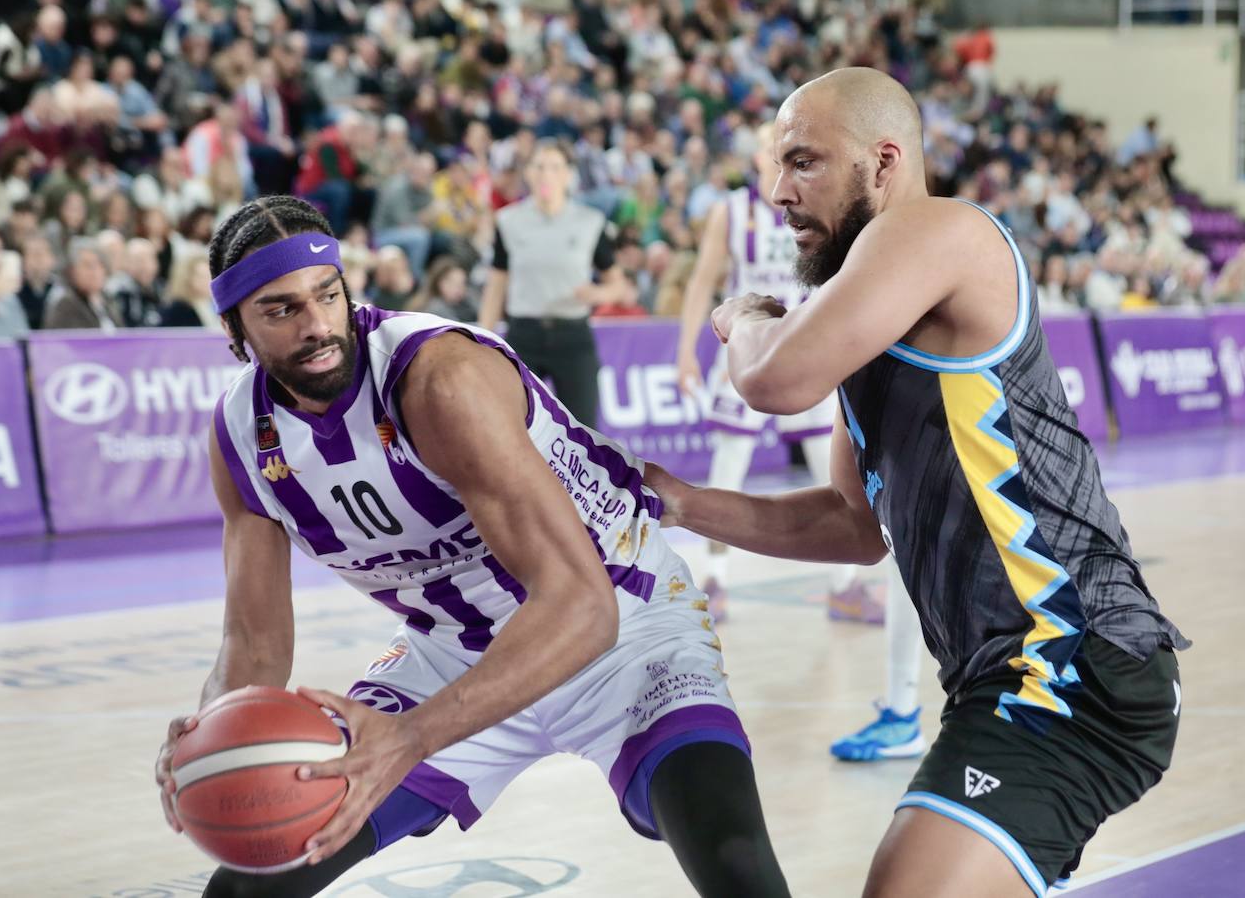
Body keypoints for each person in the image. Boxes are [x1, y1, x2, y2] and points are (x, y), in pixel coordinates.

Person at [644, 68, 1188, 898]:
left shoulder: (939, 230)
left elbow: (773, 380)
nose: (776, 192)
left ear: (883, 161)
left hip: (1070, 659)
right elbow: (850, 526)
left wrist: (747, 318)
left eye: (802, 163)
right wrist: (676, 501)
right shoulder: (871, 308)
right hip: (1006, 676)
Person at [152, 196, 788, 898]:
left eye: (327, 295)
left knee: (734, 863)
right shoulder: (241, 434)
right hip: (451, 647)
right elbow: (254, 643)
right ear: (233, 327)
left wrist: (412, 737)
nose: (317, 325)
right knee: (249, 885)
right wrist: (211, 730)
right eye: (282, 310)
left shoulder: (438, 379)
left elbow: (582, 609)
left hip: (620, 624)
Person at [673, 123, 925, 758]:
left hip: (809, 340)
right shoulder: (732, 213)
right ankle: (714, 577)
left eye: (796, 157)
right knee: (729, 460)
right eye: (773, 155)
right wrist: (687, 351)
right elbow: (703, 283)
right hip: (755, 342)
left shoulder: (830, 209)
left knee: (840, 480)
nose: (782, 170)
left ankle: (845, 588)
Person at [477, 140, 627, 430]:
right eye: (539, 166)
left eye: (556, 167)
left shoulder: (590, 222)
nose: (547, 174)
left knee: (584, 433)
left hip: (573, 338)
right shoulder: (508, 221)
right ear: (528, 173)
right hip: (524, 336)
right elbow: (496, 286)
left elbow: (617, 285)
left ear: (569, 175)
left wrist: (597, 293)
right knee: (514, 429)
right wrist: (483, 338)